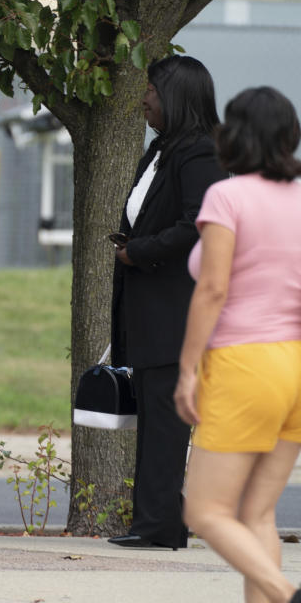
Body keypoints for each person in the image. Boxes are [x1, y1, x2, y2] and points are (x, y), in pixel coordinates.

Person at [174, 87, 301, 603]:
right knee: (256, 514)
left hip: (244, 363)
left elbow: (214, 288)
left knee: (204, 512)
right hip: (294, 365)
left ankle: (285, 592)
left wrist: (187, 371)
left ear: (234, 134)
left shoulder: (228, 196)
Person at [107, 55, 226, 551]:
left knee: (166, 421)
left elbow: (198, 223)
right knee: (156, 416)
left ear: (174, 96)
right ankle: (160, 519)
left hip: (176, 308)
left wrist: (140, 252)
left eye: (151, 89)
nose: (144, 98)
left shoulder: (199, 153)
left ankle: (157, 525)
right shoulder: (161, 149)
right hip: (149, 307)